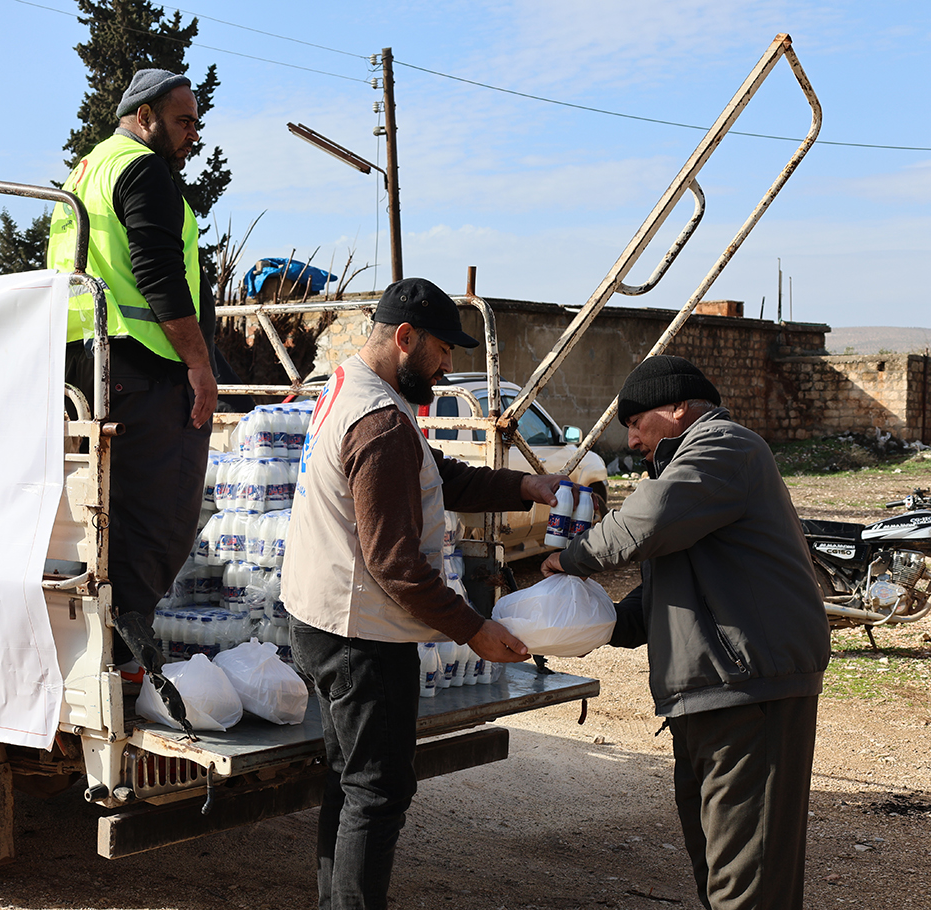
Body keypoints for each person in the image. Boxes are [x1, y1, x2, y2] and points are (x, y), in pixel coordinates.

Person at [283, 277, 570, 910]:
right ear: (405, 338)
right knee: (377, 793)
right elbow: (394, 563)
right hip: (363, 636)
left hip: (325, 620)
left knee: (349, 779)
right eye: (442, 351)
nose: (447, 368)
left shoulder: (353, 388)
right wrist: (473, 628)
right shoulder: (381, 421)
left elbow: (431, 473)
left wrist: (523, 487)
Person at [541, 354, 829, 910]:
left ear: (676, 408)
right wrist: (587, 621)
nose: (631, 439)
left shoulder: (726, 447)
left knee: (749, 885)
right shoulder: (690, 476)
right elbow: (669, 590)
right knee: (717, 873)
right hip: (707, 695)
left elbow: (648, 520)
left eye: (636, 421)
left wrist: (569, 560)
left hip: (751, 691)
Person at [47, 69, 216, 673]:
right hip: (145, 371)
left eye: (196, 121)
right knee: (159, 519)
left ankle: (101, 653)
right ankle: (125, 661)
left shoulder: (89, 168)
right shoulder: (143, 170)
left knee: (103, 522)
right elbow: (159, 273)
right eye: (182, 120)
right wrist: (199, 362)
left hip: (88, 365)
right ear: (144, 116)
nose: (192, 134)